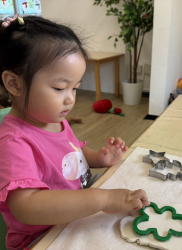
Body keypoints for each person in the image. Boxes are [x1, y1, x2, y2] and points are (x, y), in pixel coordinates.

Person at [0, 15, 149, 250]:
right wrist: (104, 198)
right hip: (42, 239)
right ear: (14, 84)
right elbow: (26, 206)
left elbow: (71, 151)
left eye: (75, 87)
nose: (70, 98)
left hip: (75, 219)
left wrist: (98, 159)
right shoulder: (14, 142)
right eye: (60, 88)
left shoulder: (53, 118)